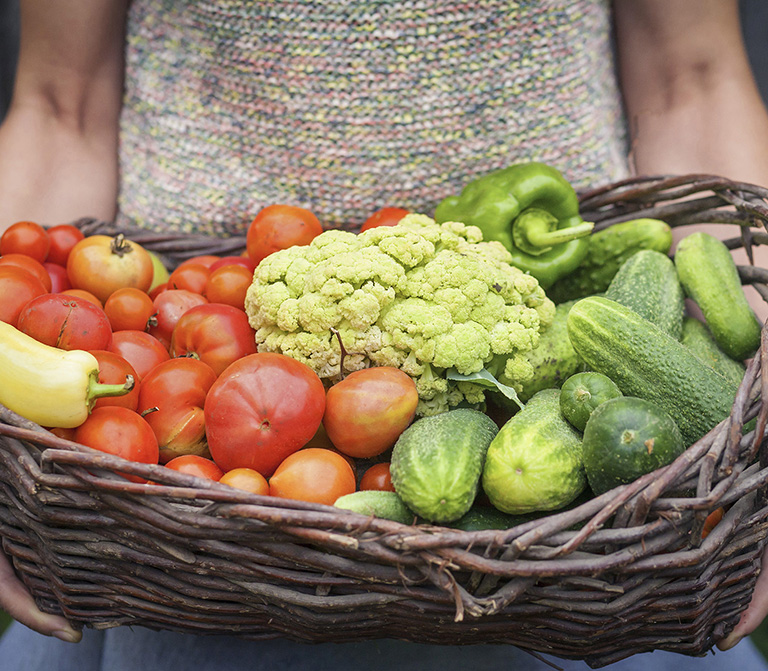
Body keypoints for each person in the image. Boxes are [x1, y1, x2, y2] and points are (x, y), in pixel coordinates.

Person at [0, 0, 767, 669]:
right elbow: (62, 103)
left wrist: (756, 429)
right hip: (174, 495)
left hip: (610, 553)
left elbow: (692, 81)